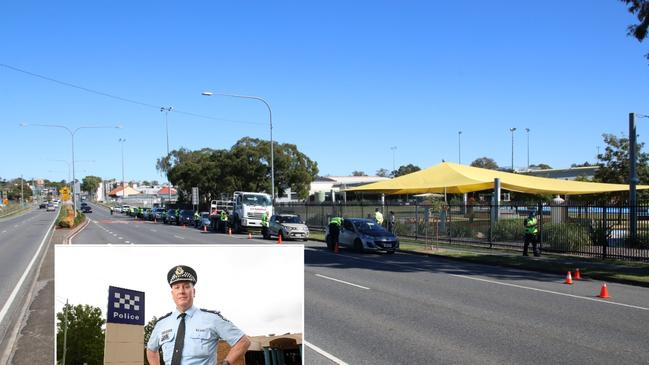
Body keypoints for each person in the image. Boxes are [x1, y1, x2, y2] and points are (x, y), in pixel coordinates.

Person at [146, 265, 251, 365]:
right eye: (177, 287)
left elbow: (243, 341)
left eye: (186, 287)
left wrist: (226, 363)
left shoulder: (211, 319)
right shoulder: (161, 324)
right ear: (172, 294)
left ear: (194, 292)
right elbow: (151, 350)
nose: (181, 291)